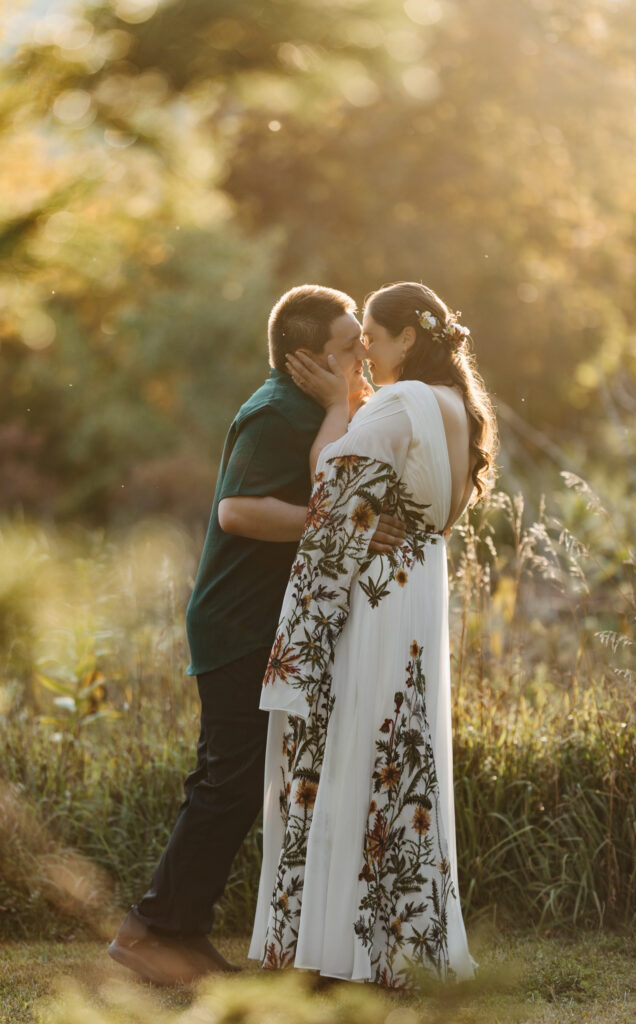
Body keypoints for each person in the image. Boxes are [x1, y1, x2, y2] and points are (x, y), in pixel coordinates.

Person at [108, 284, 406, 986]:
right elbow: (239, 512)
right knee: (228, 782)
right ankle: (149, 933)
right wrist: (336, 525)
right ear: (307, 358)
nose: (359, 355)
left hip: (261, 621)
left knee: (238, 782)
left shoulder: (313, 406)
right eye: (345, 349)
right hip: (236, 621)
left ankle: (172, 930)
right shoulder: (275, 412)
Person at [248, 281, 498, 989]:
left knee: (359, 749)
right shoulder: (456, 407)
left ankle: (348, 947)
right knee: (402, 746)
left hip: (379, 600)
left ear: (407, 340)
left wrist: (334, 407)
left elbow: (330, 489)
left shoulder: (398, 402)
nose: (362, 358)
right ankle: (394, 934)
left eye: (372, 343)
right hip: (416, 588)